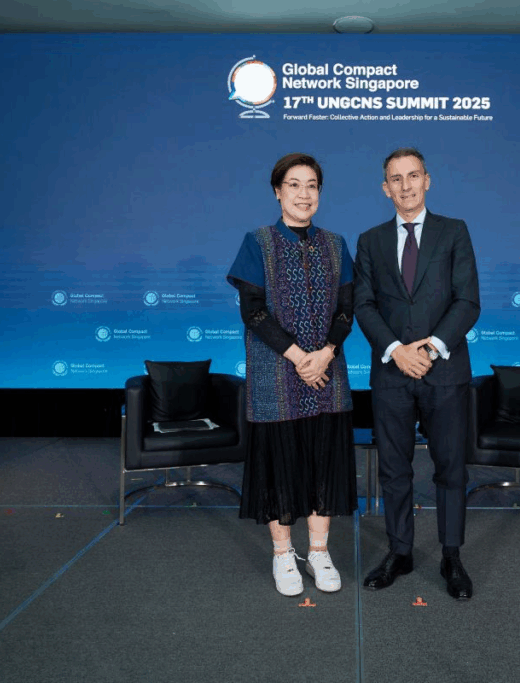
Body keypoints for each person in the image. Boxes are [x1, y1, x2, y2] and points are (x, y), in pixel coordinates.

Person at [227, 153, 357, 597]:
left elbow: (347, 310)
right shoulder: (257, 242)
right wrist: (301, 357)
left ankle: (319, 551)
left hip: (327, 374)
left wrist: (326, 353)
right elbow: (253, 312)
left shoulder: (336, 244)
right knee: (279, 466)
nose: (304, 194)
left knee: (323, 462)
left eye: (312, 185)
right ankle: (283, 554)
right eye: (295, 185)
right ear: (277, 192)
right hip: (276, 376)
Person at [353, 147, 481, 600]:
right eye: (396, 178)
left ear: (428, 180)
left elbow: (468, 301)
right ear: (385, 188)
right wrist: (395, 351)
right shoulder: (370, 241)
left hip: (444, 372)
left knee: (450, 469)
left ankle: (452, 556)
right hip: (391, 375)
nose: (405, 185)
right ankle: (400, 552)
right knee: (394, 470)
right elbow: (363, 304)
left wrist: (427, 349)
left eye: (413, 176)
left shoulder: (454, 231)